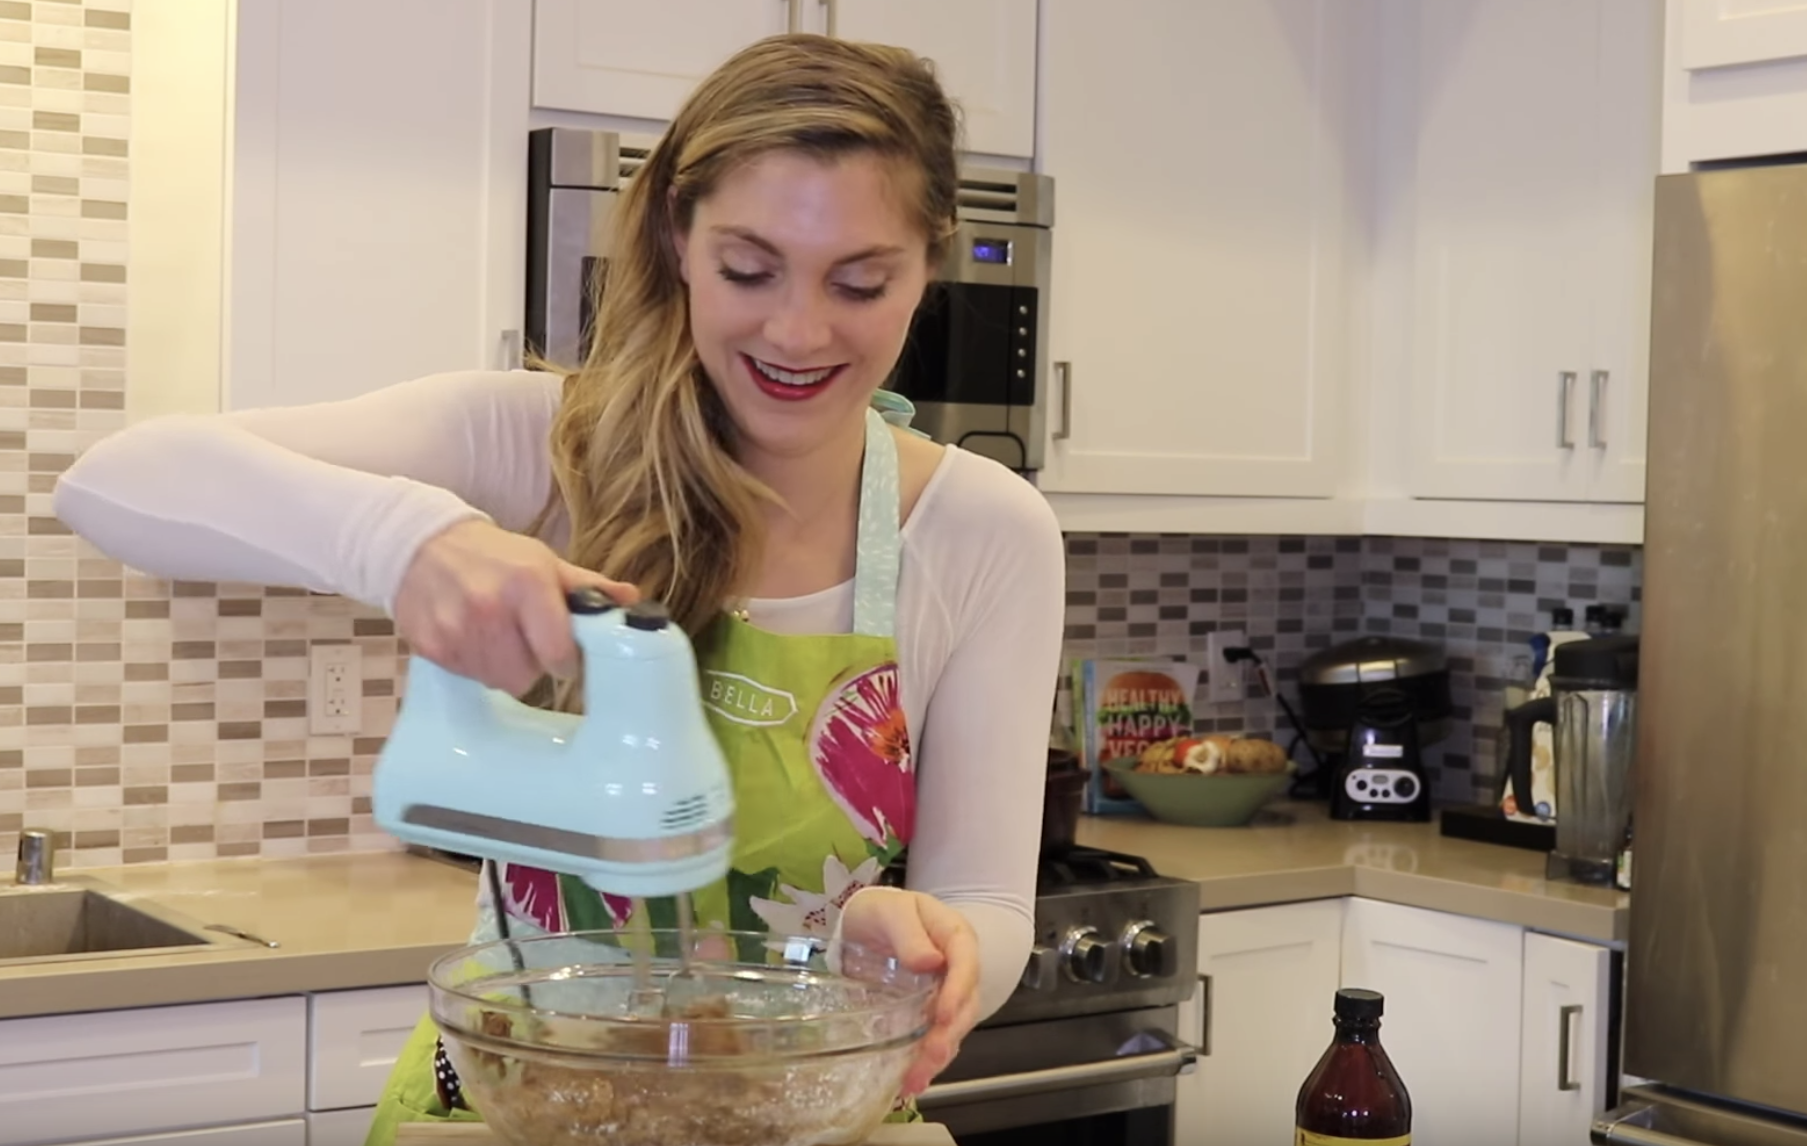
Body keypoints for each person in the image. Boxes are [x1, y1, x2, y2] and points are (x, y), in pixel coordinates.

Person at [52, 31, 1065, 1141]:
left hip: (812, 1123)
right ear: (678, 238)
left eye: (860, 282)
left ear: (928, 264)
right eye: (748, 269)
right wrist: (407, 540)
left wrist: (929, 950)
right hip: (512, 1112)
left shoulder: (983, 531)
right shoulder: (541, 449)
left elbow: (988, 905)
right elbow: (114, 483)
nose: (797, 329)